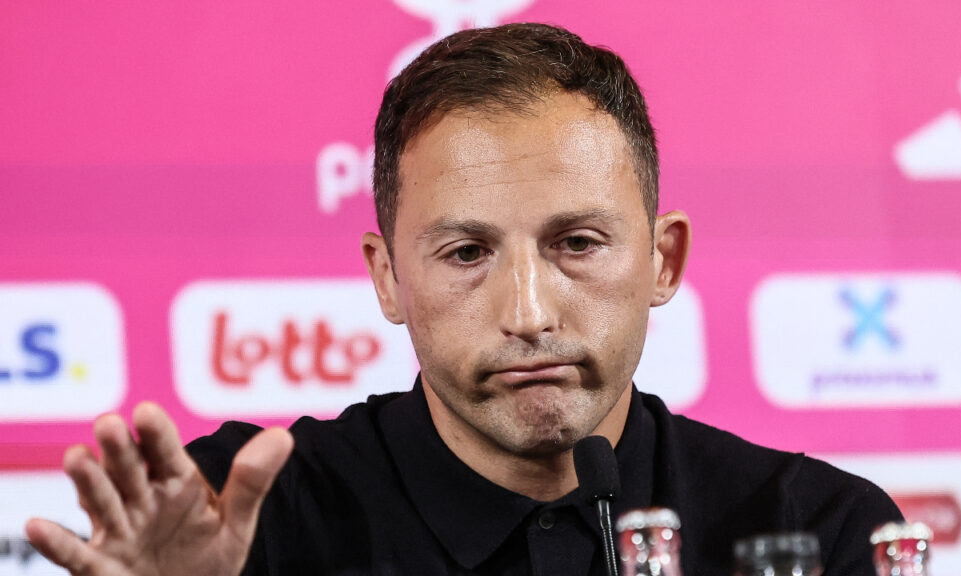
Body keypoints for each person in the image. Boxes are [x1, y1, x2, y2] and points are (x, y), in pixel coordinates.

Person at [25, 23, 902, 575]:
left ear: (663, 259)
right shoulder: (242, 522)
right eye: (468, 253)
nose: (529, 312)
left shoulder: (819, 531)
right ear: (387, 277)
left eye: (577, 243)